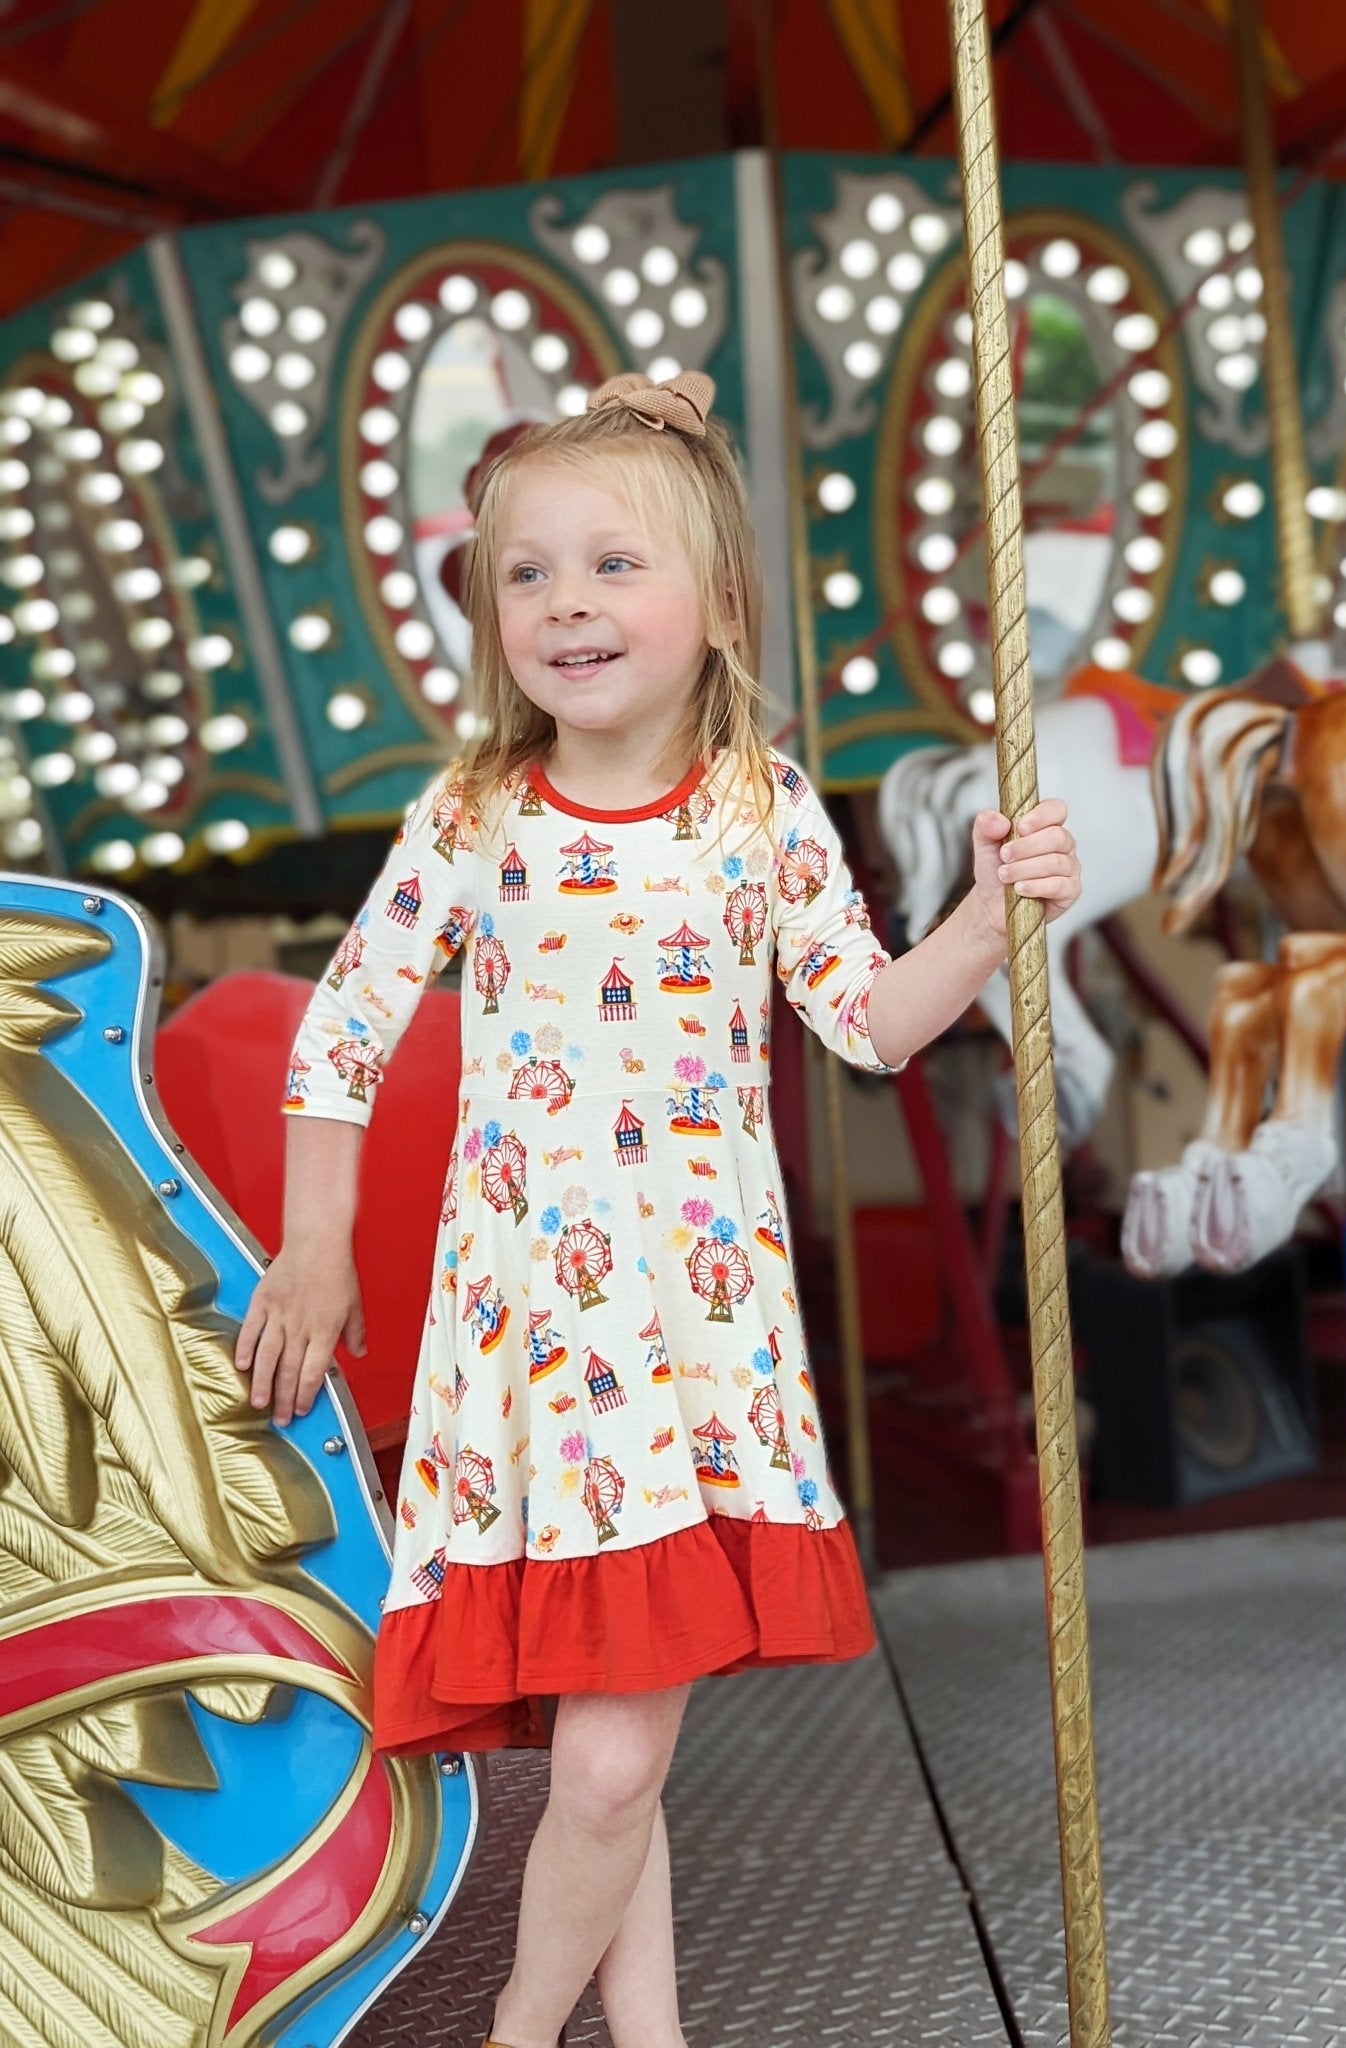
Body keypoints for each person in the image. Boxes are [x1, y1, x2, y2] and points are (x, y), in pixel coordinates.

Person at [236, 370, 1081, 2048]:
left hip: (692, 1342)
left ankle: (518, 2033)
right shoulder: (475, 816)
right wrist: (318, 1241)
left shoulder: (757, 813)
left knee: (617, 1749)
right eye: (528, 573)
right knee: (614, 1745)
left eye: (613, 566)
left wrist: (985, 920)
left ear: (715, 603)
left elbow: (861, 1019)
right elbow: (338, 1033)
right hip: (535, 1346)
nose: (566, 604)